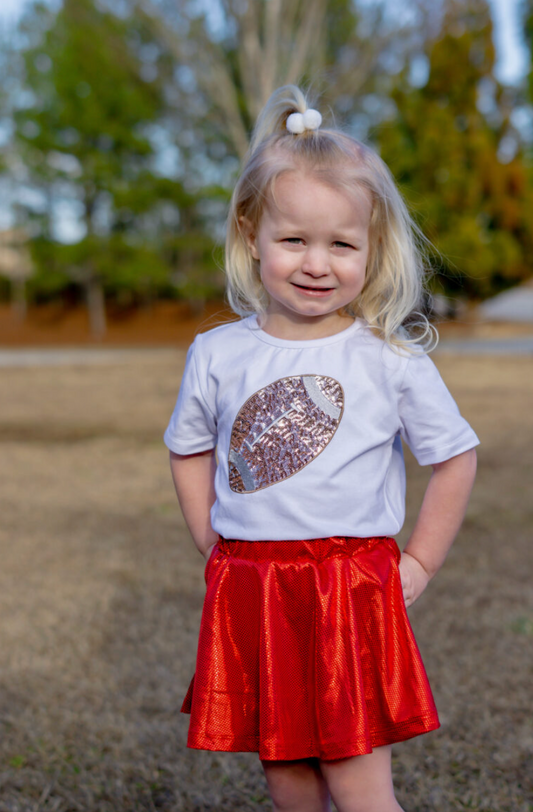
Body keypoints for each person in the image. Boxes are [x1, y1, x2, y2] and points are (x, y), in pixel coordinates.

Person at [164, 85, 479, 812]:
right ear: (251, 233)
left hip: (347, 585)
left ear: (373, 250)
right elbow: (187, 449)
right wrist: (211, 540)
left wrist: (420, 560)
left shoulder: (387, 359)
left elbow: (454, 456)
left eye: (341, 244)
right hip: (253, 585)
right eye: (293, 240)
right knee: (287, 775)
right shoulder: (217, 353)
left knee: (355, 778)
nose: (316, 263)